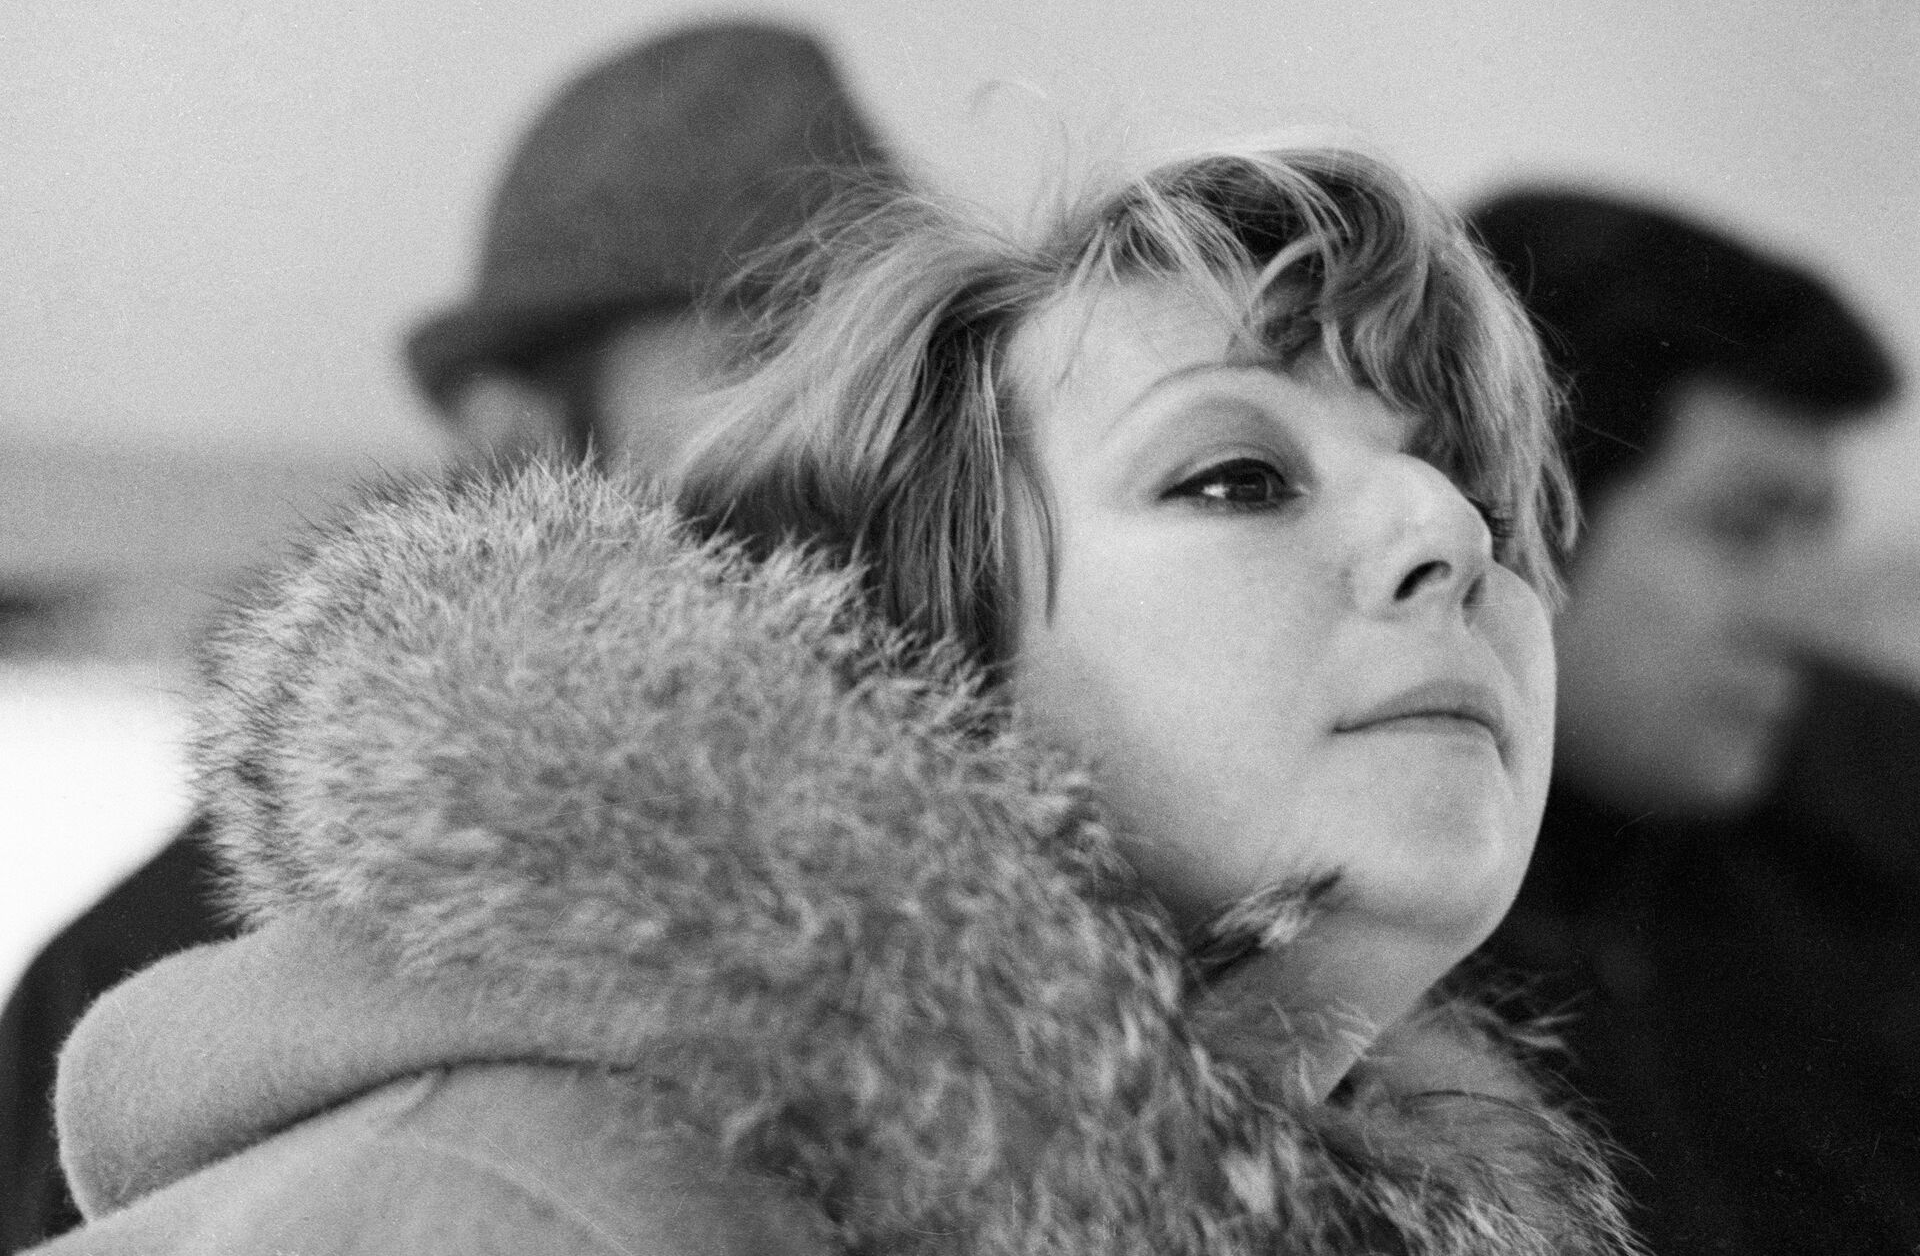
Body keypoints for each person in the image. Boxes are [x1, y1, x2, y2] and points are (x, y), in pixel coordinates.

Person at [27, 144, 1644, 1254]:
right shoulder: (509, 1205)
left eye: (1486, 499)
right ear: (920, 659)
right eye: (1235, 475)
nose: (1450, 538)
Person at [0, 19, 900, 1251]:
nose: (846, 425)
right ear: (512, 427)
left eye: (886, 363)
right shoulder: (137, 974)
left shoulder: (972, 869)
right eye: (759, 351)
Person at [1469, 188, 1917, 1253]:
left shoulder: (1878, 821)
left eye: (1814, 530)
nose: (1805, 618)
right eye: (1740, 527)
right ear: (1523, 513)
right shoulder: (1354, 949)